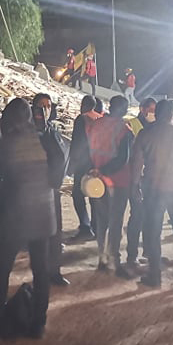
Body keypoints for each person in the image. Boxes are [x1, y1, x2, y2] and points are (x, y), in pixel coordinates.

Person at [0, 98, 60, 343]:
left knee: (1, 271)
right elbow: (58, 174)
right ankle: (37, 325)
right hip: (42, 216)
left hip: (14, 217)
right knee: (41, 272)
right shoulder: (44, 140)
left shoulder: (4, 144)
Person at [131, 99, 173, 287]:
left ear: (156, 113)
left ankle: (154, 277)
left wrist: (135, 187)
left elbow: (136, 164)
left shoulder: (145, 134)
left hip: (153, 189)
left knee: (153, 233)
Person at [87, 95, 135, 278]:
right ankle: (114, 260)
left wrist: (96, 171)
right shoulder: (123, 129)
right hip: (117, 180)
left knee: (101, 220)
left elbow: (88, 150)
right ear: (123, 109)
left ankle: (102, 259)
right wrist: (105, 170)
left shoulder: (96, 125)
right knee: (115, 223)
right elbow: (123, 158)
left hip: (97, 181)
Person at [32, 93, 69, 286]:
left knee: (55, 232)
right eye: (40, 105)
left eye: (48, 106)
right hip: (32, 192)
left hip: (51, 190)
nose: (44, 109)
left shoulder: (52, 131)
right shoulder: (27, 133)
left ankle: (54, 271)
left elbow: (62, 158)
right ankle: (40, 275)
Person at [122, 98, 157, 268]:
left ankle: (148, 252)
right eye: (149, 110)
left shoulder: (156, 127)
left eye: (154, 110)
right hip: (136, 177)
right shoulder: (131, 125)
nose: (152, 113)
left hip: (150, 180)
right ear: (142, 109)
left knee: (151, 218)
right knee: (137, 217)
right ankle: (132, 255)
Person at [67, 94, 101, 240]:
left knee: (77, 194)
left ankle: (85, 227)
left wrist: (72, 164)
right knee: (95, 194)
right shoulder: (100, 118)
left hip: (83, 162)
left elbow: (77, 143)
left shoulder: (82, 119)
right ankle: (96, 227)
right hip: (98, 162)